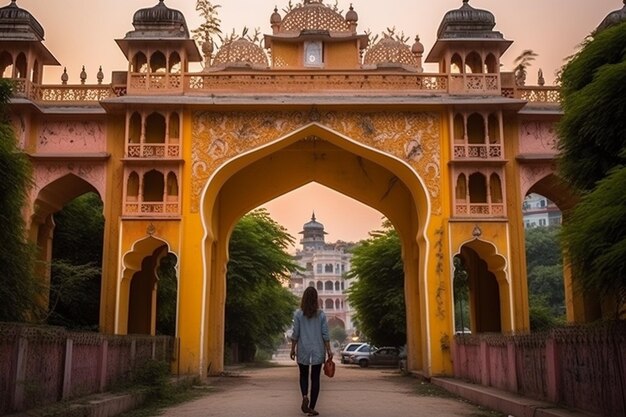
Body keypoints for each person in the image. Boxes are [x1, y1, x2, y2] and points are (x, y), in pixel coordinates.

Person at [290, 287, 333, 416]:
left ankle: (304, 397)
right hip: (317, 350)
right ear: (316, 299)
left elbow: (295, 333)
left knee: (303, 375)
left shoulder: (298, 314)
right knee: (315, 378)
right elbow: (325, 334)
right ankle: (311, 408)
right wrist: (329, 350)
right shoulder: (321, 314)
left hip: (303, 349)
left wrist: (292, 349)